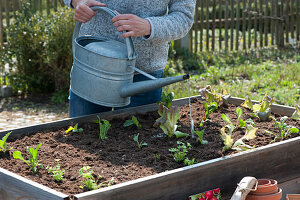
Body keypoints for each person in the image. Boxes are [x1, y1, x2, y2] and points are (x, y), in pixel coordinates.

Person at [63, 0, 196, 118]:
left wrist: (148, 26)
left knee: (137, 143)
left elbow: (184, 17)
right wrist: (77, 2)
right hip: (91, 68)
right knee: (82, 137)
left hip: (143, 73)